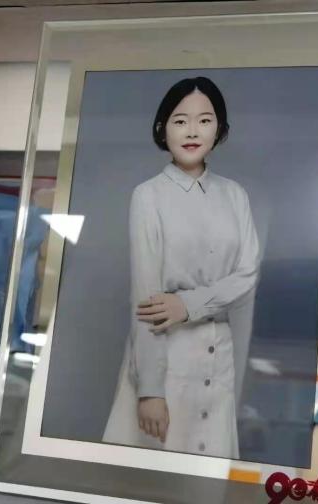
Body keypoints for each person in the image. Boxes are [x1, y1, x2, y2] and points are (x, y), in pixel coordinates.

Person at [103, 77, 260, 459]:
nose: (192, 131)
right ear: (162, 129)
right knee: (152, 471)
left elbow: (248, 274)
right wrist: (150, 391)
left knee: (210, 471)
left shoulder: (235, 194)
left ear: (220, 129)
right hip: (166, 353)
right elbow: (144, 299)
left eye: (204, 120)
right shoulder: (148, 195)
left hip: (219, 352)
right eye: (180, 121)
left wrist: (188, 304)